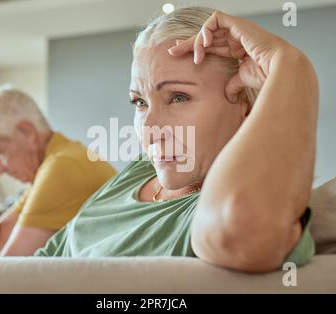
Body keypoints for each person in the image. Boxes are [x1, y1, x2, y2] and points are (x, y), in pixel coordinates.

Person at [35, 7, 318, 272]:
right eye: (139, 101)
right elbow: (43, 261)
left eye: (178, 97)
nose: (148, 127)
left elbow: (239, 235)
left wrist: (290, 65)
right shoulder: (140, 170)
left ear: (243, 103)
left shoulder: (236, 204)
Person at [0, 86, 116, 256]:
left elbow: (1, 272)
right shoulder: (50, 165)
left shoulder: (62, 167)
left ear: (28, 133)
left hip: (105, 278)